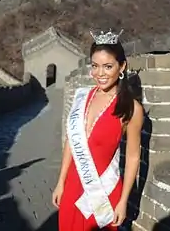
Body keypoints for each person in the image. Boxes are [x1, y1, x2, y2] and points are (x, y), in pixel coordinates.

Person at [52, 29, 144, 230]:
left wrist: (123, 200)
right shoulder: (83, 96)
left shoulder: (131, 109)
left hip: (103, 192)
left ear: (122, 66)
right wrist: (61, 182)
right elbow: (71, 141)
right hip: (73, 187)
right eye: (95, 66)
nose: (99, 73)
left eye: (108, 66)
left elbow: (132, 157)